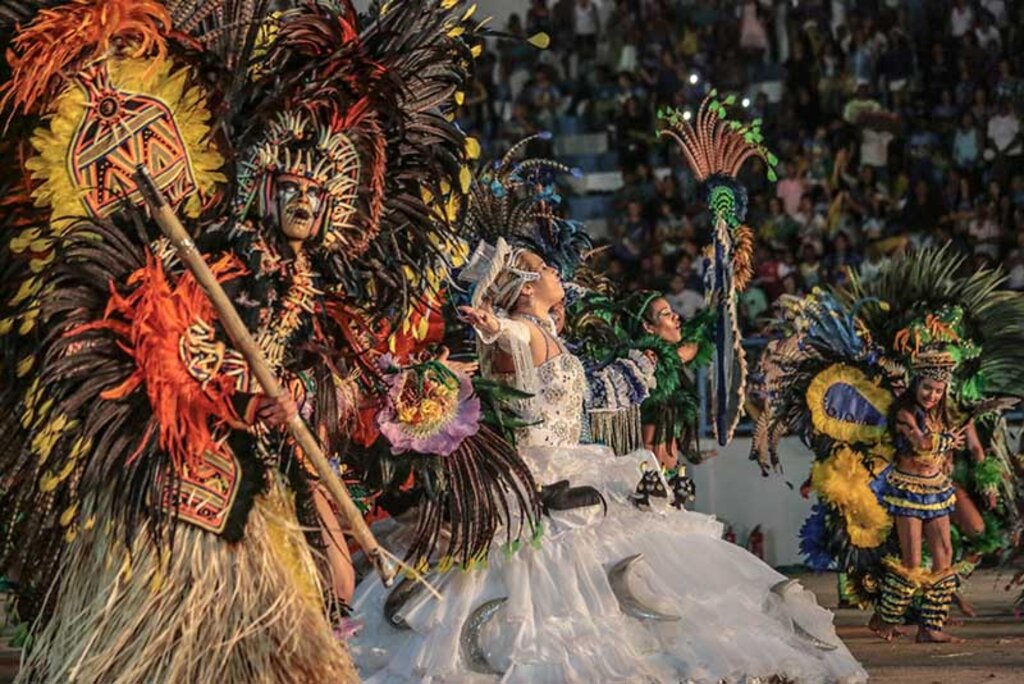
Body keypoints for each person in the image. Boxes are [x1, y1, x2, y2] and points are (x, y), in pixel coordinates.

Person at [346, 239, 868, 683]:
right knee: (552, 576)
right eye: (548, 270)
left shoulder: (548, 332)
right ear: (527, 288)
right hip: (543, 473)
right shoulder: (522, 330)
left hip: (574, 463)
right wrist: (490, 324)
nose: (557, 274)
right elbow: (507, 334)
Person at [869, 349, 988, 644]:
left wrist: (948, 456)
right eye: (927, 388)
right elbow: (921, 443)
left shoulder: (941, 414)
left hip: (937, 489)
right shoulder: (904, 412)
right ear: (915, 384)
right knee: (911, 563)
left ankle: (930, 626)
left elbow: (945, 450)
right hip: (907, 490)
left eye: (938, 390)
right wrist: (947, 441)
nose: (932, 395)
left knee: (944, 556)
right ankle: (884, 617)